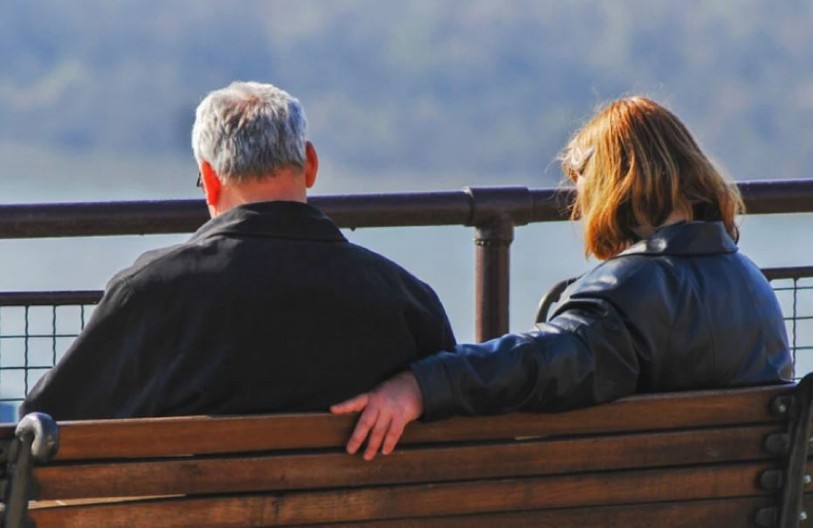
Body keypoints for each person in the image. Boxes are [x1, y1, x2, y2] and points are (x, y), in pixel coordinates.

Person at [331, 96, 793, 460]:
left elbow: (535, 364)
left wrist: (421, 385)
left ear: (611, 189)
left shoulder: (626, 294)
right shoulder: (753, 285)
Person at [21, 81, 455, 420]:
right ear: (311, 165)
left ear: (209, 179)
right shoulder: (406, 301)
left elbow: (42, 427)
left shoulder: (152, 294)